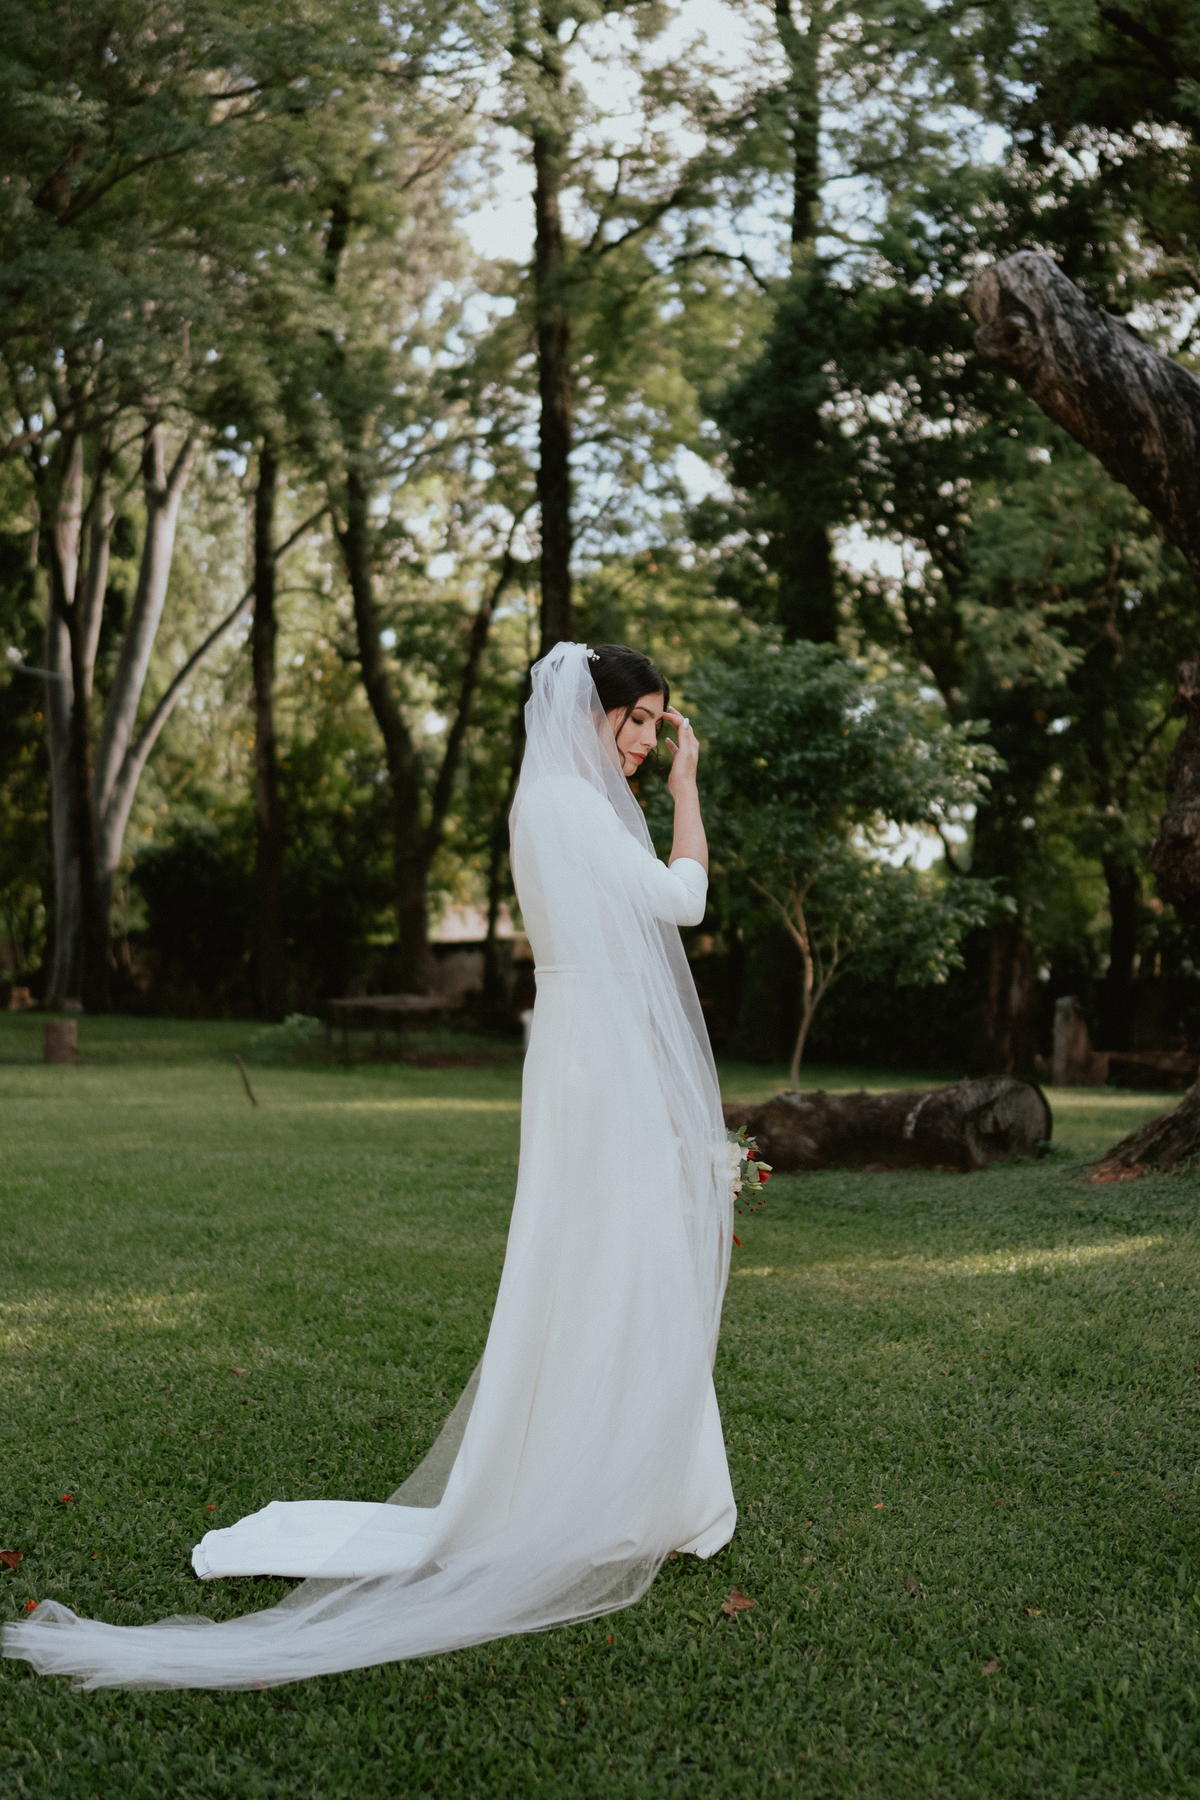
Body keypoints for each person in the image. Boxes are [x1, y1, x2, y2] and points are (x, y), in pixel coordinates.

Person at [4, 641, 736, 1690]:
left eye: (655, 732)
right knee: (612, 1255)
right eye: (636, 724)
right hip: (600, 1059)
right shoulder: (580, 809)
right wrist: (686, 789)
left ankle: (620, 1474)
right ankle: (615, 1487)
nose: (641, 746)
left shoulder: (542, 806)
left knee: (596, 1258)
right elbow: (685, 905)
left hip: (577, 1051)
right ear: (593, 715)